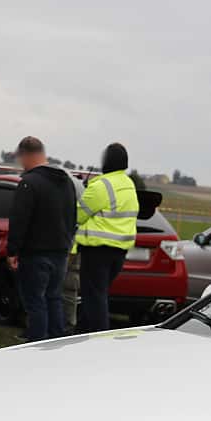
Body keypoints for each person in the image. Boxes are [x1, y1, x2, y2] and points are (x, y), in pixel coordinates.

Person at [4, 135, 76, 341]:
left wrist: (12, 251)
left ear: (25, 155)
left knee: (35, 302)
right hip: (60, 252)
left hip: (36, 253)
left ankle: (37, 345)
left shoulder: (29, 183)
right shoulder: (66, 182)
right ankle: (56, 339)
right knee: (54, 298)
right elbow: (73, 217)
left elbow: (19, 220)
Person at [73, 143, 139, 333]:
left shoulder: (102, 185)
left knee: (94, 297)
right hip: (119, 251)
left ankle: (99, 338)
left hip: (97, 251)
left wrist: (87, 192)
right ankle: (81, 332)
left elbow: (78, 215)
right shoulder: (128, 184)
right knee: (96, 295)